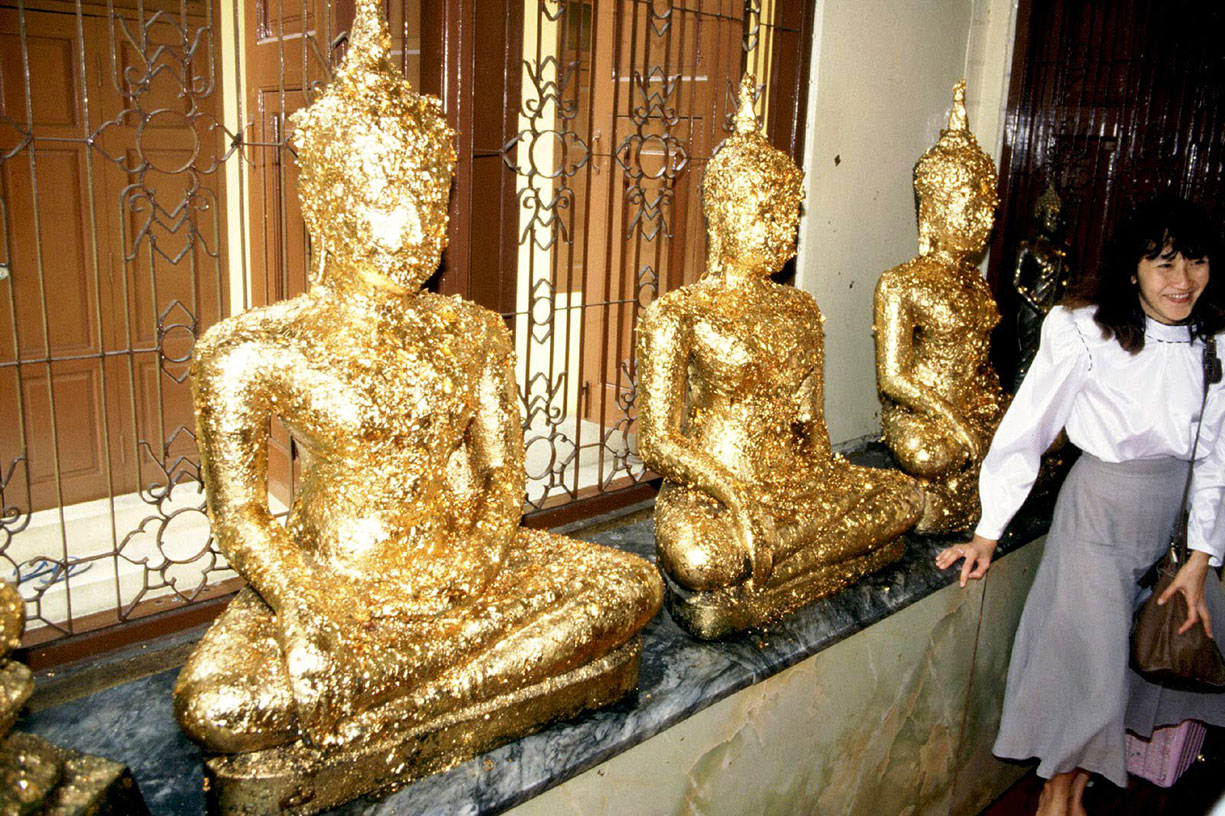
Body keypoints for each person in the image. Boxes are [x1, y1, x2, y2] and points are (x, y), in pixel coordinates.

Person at [937, 195, 1225, 816]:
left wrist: (1202, 556)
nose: (1183, 280)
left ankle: (1071, 792)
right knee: (1087, 670)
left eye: (1196, 262)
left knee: (1123, 665)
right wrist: (989, 528)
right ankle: (1054, 799)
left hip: (1169, 527)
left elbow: (1215, 458)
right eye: (1164, 264)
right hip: (1098, 516)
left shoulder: (1215, 342)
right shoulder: (1085, 330)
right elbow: (1028, 427)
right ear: (1132, 269)